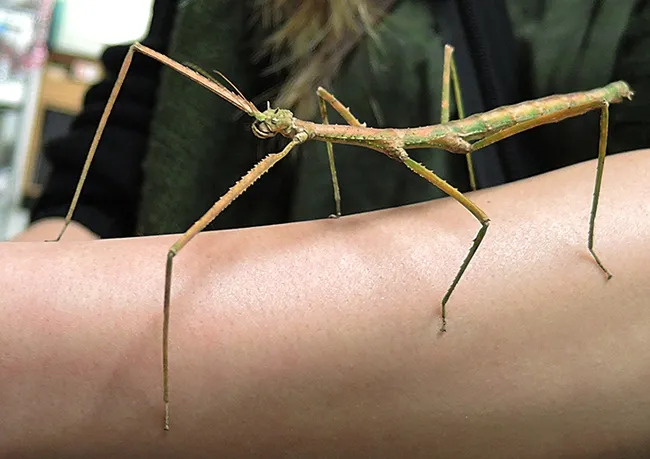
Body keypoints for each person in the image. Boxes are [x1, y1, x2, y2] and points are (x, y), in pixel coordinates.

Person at [2, 1, 649, 457]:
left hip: (470, 135)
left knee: (476, 216)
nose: (274, 131)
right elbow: (124, 137)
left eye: (277, 128)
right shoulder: (209, 25)